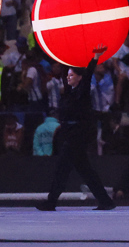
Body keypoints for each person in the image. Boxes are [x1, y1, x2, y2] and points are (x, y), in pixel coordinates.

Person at [37, 44, 114, 210]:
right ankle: (105, 201)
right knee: (86, 171)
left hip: (77, 135)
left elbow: (87, 77)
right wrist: (65, 56)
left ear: (79, 77)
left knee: (62, 169)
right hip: (70, 134)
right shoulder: (69, 92)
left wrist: (95, 58)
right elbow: (66, 73)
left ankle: (51, 202)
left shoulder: (83, 91)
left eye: (72, 75)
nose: (68, 77)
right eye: (68, 75)